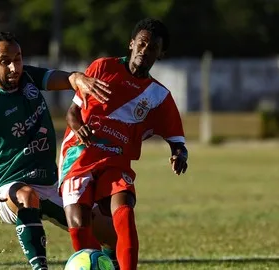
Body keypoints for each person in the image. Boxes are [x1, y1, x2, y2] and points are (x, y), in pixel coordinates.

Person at [0, 32, 117, 270]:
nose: (14, 67)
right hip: (8, 186)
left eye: (18, 59)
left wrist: (79, 79)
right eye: (5, 61)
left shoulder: (29, 76)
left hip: (50, 184)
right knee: (27, 195)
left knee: (109, 231)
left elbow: (66, 79)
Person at [58, 18, 189, 270]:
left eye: (152, 48)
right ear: (131, 44)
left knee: (125, 210)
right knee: (78, 220)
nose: (144, 50)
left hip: (115, 161)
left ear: (160, 54)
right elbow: (71, 113)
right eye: (141, 44)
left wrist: (179, 154)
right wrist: (79, 128)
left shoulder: (158, 96)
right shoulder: (102, 67)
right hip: (79, 155)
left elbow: (177, 141)